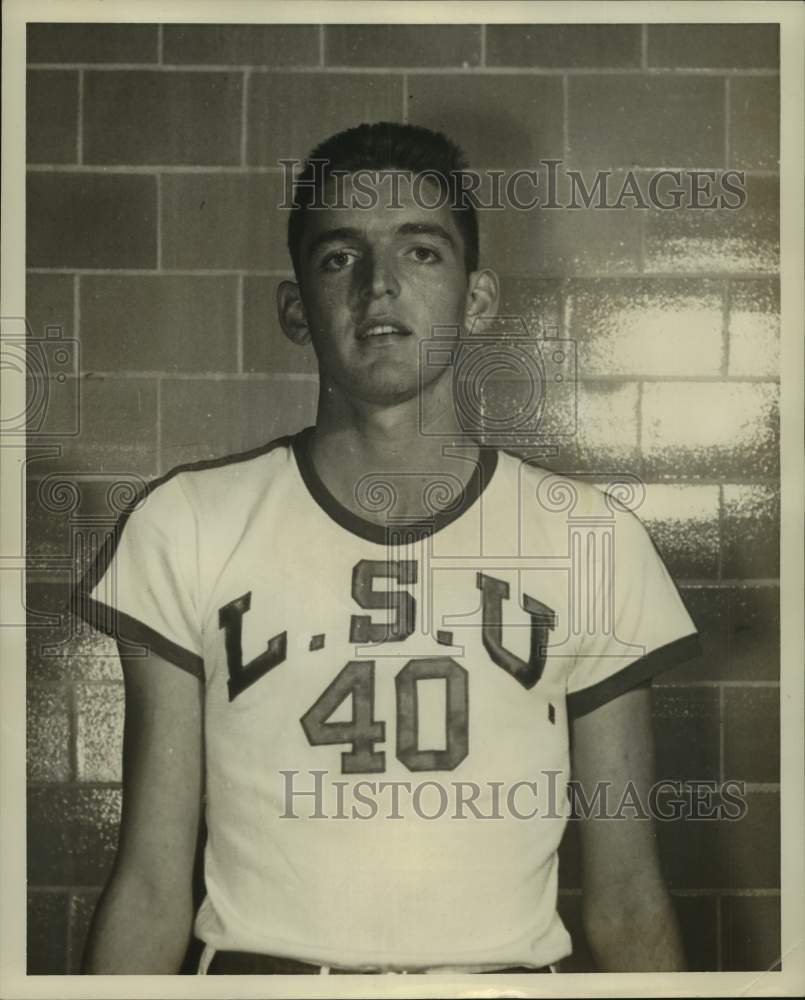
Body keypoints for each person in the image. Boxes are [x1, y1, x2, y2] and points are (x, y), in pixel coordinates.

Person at [76, 122, 700, 976]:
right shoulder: (186, 522)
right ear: (294, 307)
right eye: (339, 257)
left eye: (421, 253)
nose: (379, 287)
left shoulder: (588, 535)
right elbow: (149, 882)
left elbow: (628, 899)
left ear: (476, 300)